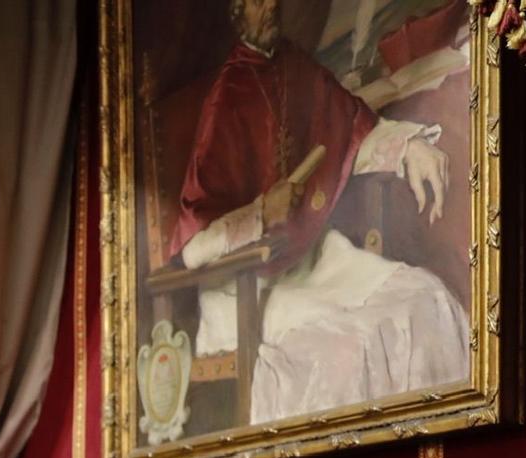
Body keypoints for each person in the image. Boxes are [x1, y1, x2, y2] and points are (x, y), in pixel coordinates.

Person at [168, 0, 468, 422]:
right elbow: (196, 245)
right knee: (349, 345)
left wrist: (409, 148)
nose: (269, 7)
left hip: (313, 259)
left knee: (428, 299)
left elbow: (354, 130)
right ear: (237, 14)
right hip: (246, 284)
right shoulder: (227, 96)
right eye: (256, 1)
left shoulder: (297, 68)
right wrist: (259, 214)